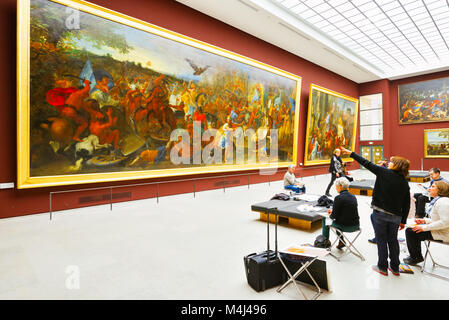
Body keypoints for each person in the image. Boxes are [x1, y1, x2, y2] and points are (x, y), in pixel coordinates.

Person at [340, 147, 410, 277]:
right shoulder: (404, 182)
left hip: (380, 214)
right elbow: (407, 204)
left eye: (391, 161)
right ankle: (395, 268)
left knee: (381, 240)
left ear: (396, 165)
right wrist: (403, 221)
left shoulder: (384, 172)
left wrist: (351, 153)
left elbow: (366, 163)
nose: (388, 163)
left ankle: (382, 267)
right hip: (396, 217)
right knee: (393, 241)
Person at [404, 180, 449, 266]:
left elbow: (445, 222)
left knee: (411, 231)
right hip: (442, 230)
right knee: (412, 229)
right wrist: (425, 221)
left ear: (440, 190)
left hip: (444, 234)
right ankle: (416, 256)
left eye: (433, 187)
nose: (429, 189)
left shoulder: (443, 202)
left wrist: (424, 227)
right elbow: (439, 219)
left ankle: (415, 257)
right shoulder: (441, 200)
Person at [321, 177, 360, 249]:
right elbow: (347, 211)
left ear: (340, 186)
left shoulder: (338, 198)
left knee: (325, 219)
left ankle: (325, 242)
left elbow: (333, 216)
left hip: (345, 226)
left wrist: (330, 214)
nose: (336, 188)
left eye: (336, 186)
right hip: (356, 225)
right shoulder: (353, 196)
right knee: (339, 221)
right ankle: (341, 241)